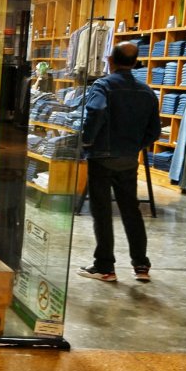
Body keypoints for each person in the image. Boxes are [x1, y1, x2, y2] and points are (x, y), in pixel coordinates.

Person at [78, 42, 162, 282]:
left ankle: (105, 267)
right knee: (131, 211)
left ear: (110, 60)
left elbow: (95, 111)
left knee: (102, 212)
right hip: (128, 158)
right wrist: (135, 145)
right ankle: (141, 266)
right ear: (135, 63)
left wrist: (87, 141)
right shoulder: (147, 92)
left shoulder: (103, 86)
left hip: (102, 158)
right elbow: (154, 131)